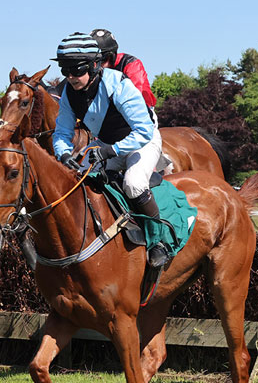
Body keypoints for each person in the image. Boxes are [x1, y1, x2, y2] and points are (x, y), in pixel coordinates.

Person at [47, 31, 168, 263]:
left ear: (94, 65)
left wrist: (110, 151)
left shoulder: (119, 84)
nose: (70, 77)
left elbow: (144, 131)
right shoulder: (70, 93)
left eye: (76, 70)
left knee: (133, 184)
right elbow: (62, 132)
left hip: (141, 142)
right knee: (76, 181)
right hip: (106, 144)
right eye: (65, 70)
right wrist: (63, 154)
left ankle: (158, 240)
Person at [89, 29, 158, 109]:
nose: (97, 65)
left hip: (142, 109)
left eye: (101, 60)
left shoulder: (131, 64)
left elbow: (135, 98)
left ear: (111, 56)